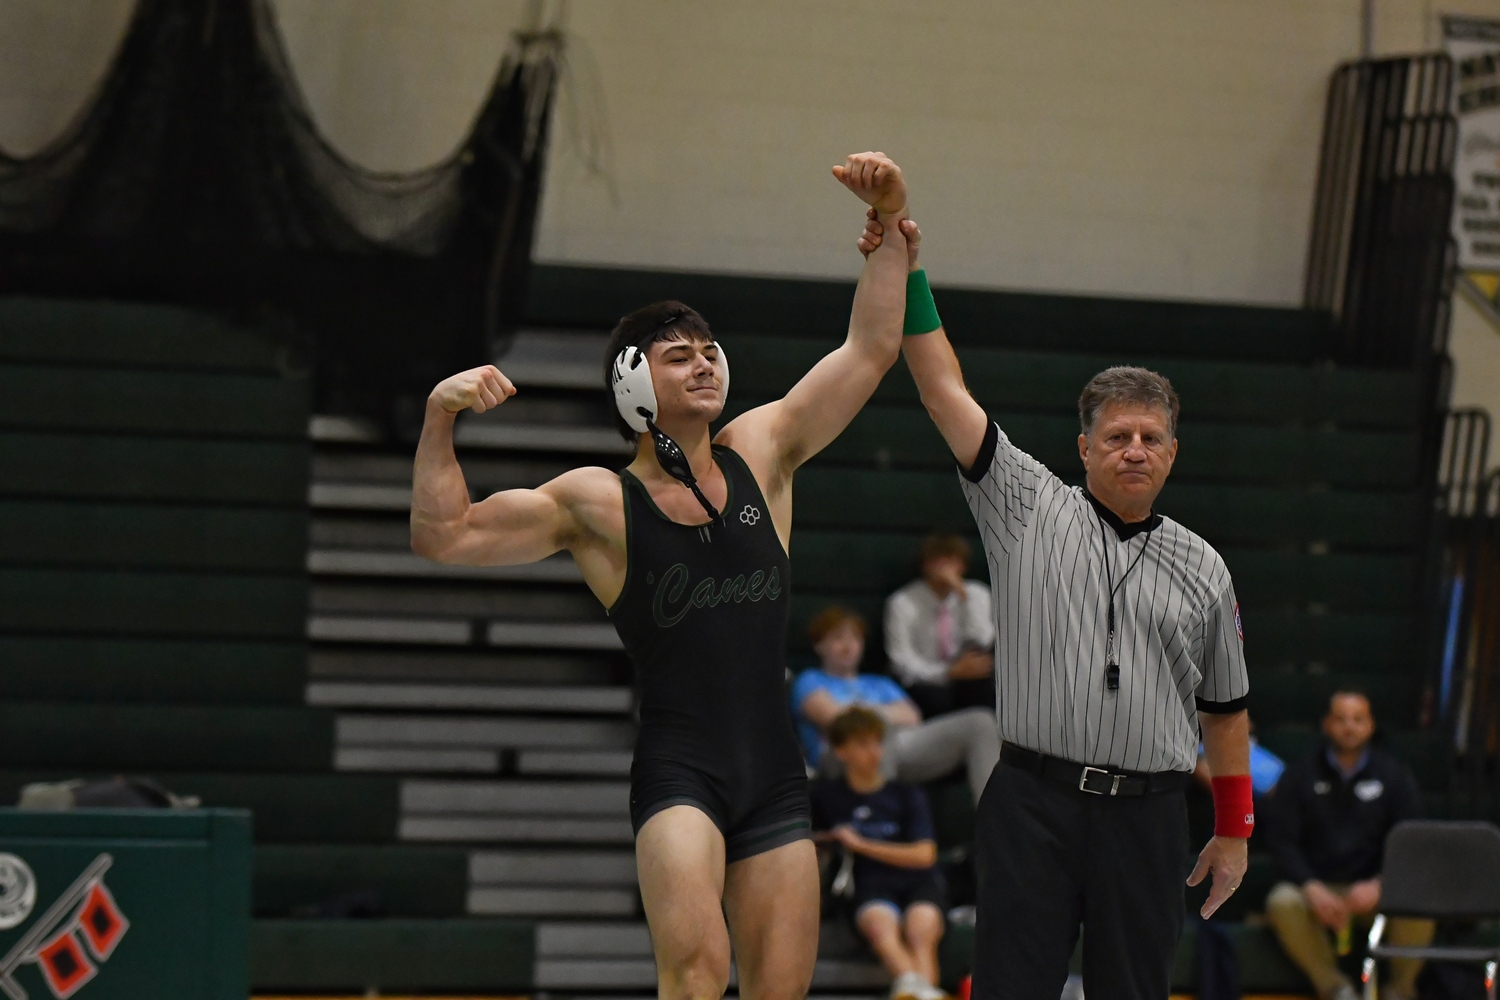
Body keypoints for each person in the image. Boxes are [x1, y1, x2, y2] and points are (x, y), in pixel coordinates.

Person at [410, 152, 911, 1000]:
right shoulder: (600, 502)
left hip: (775, 772)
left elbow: (873, 347)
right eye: (679, 355)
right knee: (694, 972)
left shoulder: (765, 452)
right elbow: (445, 537)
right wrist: (438, 415)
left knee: (780, 989)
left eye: (711, 350)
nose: (706, 363)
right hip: (682, 770)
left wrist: (891, 225)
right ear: (633, 384)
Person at [858, 211, 1252, 1000]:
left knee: (1134, 990)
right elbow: (942, 390)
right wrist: (907, 268)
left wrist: (1235, 830)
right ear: (1084, 448)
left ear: (1172, 454)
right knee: (1011, 987)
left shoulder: (1205, 565)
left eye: (1149, 437)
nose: (1133, 449)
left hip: (1148, 816)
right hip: (1032, 802)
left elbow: (1227, 711)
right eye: (1116, 436)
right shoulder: (1027, 504)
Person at [1261, 691, 1433, 1000]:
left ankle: (1400, 990)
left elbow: (1412, 839)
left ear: (1371, 725)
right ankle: (1335, 987)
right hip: (1319, 889)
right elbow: (1281, 841)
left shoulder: (1393, 774)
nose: (1349, 727)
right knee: (1282, 901)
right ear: (1326, 724)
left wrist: (1380, 884)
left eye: (1358, 719)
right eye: (1340, 719)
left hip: (1375, 891)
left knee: (1421, 902)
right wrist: (1311, 886)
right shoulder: (1300, 775)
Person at [793, 605, 999, 803]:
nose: (848, 645)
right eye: (838, 638)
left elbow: (912, 717)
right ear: (819, 645)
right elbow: (836, 720)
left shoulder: (879, 683)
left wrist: (864, 712)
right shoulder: (810, 680)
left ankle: (997, 828)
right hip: (837, 756)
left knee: (981, 722)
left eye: (855, 638)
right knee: (875, 725)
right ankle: (880, 813)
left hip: (899, 749)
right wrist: (882, 714)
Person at [812, 707, 949, 1000]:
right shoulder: (827, 797)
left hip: (918, 882)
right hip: (869, 886)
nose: (873, 751)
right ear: (840, 750)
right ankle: (925, 993)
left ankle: (915, 990)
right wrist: (828, 840)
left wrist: (862, 845)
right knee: (880, 925)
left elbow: (924, 855)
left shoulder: (906, 794)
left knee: (921, 928)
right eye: (862, 743)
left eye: (877, 742)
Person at [884, 534, 996, 718]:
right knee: (932, 698)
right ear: (925, 565)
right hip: (925, 681)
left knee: (983, 680)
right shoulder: (902, 602)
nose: (944, 568)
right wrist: (947, 672)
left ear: (963, 566)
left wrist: (963, 597)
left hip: (968, 678)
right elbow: (901, 659)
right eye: (938, 561)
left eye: (952, 561)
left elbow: (982, 640)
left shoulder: (977, 594)